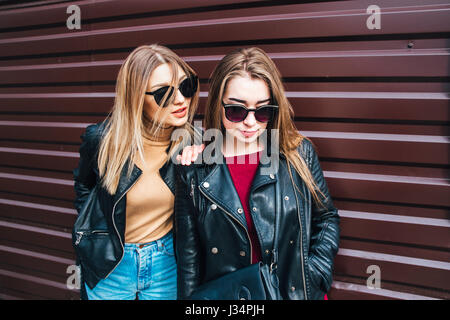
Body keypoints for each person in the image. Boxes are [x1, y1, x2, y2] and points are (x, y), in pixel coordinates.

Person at [175, 47, 340, 300]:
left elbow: (326, 218)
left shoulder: (298, 154)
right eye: (237, 111)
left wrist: (314, 274)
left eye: (263, 111)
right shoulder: (195, 170)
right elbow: (190, 260)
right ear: (218, 105)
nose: (250, 122)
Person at [72, 44, 199, 300]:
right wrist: (94, 235)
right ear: (136, 98)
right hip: (112, 264)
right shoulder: (102, 141)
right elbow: (83, 185)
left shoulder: (194, 143)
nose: (180, 100)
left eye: (186, 87)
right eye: (164, 93)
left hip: (166, 261)